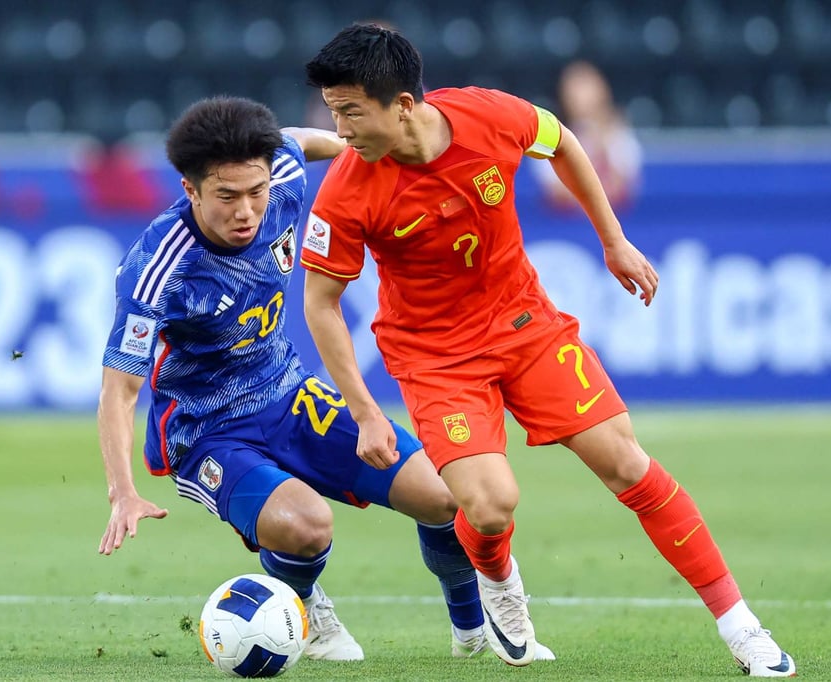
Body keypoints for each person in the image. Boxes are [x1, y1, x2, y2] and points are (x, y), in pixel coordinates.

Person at [299, 24, 796, 676]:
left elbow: (561, 141)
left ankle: (743, 630)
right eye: (334, 113)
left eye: (350, 112)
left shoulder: (487, 116)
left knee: (626, 462)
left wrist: (613, 240)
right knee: (490, 502)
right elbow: (321, 302)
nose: (339, 130)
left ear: (402, 105)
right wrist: (365, 410)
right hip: (435, 357)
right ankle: (500, 585)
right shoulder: (348, 185)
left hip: (525, 325)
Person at [96, 95, 551, 662]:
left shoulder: (281, 173)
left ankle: (471, 635)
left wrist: (367, 151)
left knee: (444, 497)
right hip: (209, 431)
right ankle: (304, 609)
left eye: (256, 192)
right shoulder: (158, 267)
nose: (247, 211)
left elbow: (298, 139)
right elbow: (121, 390)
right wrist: (123, 494)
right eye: (226, 196)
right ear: (190, 190)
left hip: (290, 393)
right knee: (308, 525)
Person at [533, 59, 642, 212]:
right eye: (574, 89)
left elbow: (622, 190)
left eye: (587, 87)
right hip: (564, 228)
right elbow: (556, 193)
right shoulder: (548, 135)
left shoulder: (620, 136)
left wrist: (601, 143)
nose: (582, 97)